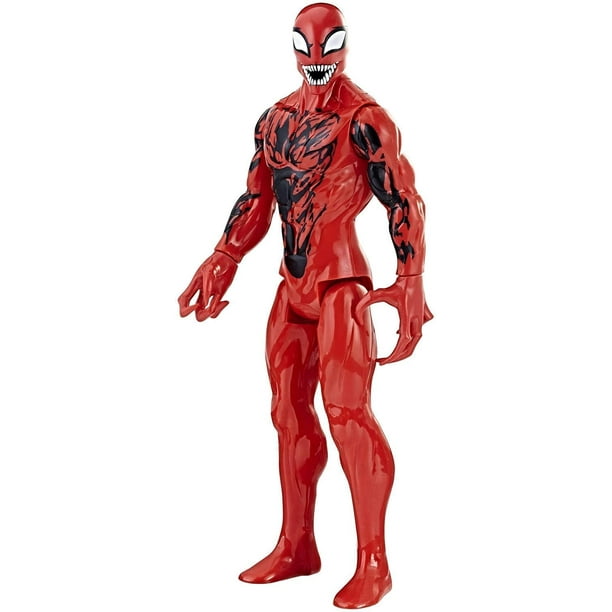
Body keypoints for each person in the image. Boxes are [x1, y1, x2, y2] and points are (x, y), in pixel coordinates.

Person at [178, 3, 432, 608]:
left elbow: (404, 198)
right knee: (287, 414)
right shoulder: (275, 120)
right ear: (293, 47)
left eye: (329, 44)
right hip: (291, 288)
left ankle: (374, 561)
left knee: (349, 416)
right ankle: (297, 545)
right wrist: (224, 254)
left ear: (344, 46)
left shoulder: (366, 120)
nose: (317, 58)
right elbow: (256, 198)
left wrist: (412, 279)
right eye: (307, 45)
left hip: (343, 286)